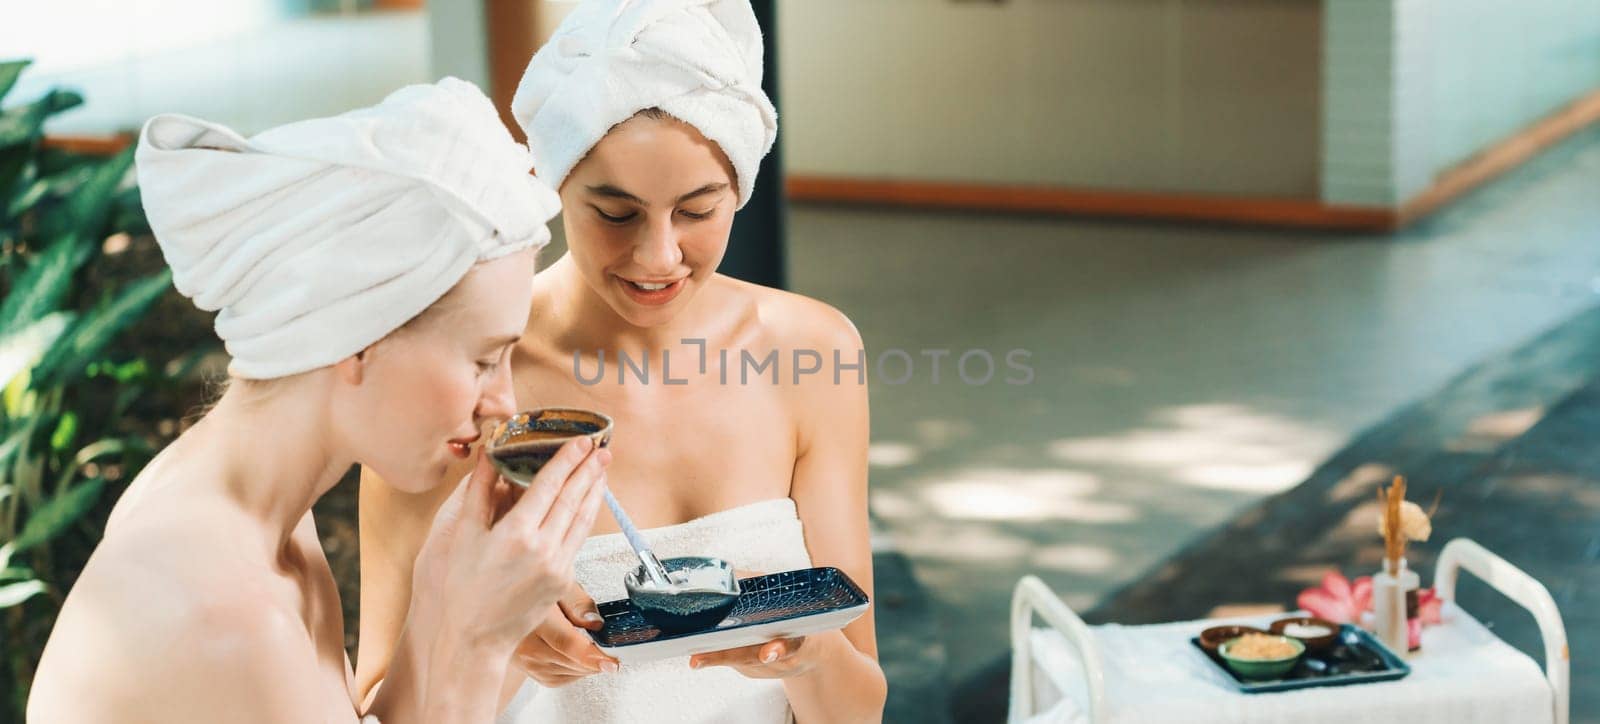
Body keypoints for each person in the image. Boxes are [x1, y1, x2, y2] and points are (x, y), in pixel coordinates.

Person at [354, 1, 887, 722]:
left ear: (741, 190)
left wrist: (808, 653)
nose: (658, 256)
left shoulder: (812, 353)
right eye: (615, 213)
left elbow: (858, 708)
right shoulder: (460, 383)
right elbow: (376, 708)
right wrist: (492, 645)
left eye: (698, 211)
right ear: (552, 182)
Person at [27, 78, 610, 723]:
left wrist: (452, 590)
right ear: (355, 342)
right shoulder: (232, 617)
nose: (504, 402)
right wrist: (478, 641)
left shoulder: (254, 513)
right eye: (481, 361)